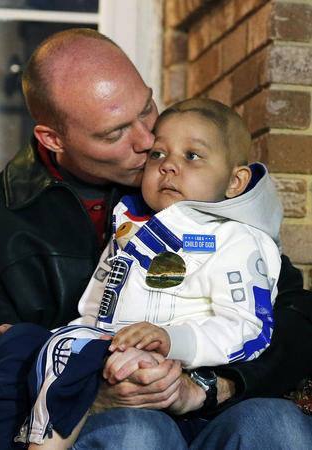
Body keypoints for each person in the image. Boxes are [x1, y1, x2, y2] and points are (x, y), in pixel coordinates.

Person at [0, 28, 311, 450]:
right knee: (138, 433)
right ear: (53, 138)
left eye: (147, 109)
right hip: (90, 419)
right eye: (114, 133)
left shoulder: (198, 182)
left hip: (211, 407)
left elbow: (293, 316)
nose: (147, 141)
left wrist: (213, 386)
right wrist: (88, 395)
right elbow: (1, 365)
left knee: (277, 423)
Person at [21, 97, 283, 448]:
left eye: (192, 156)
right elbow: (94, 310)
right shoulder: (127, 227)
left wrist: (172, 339)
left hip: (201, 398)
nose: (168, 166)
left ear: (235, 182)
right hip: (125, 382)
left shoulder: (239, 240)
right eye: (158, 154)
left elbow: (247, 327)